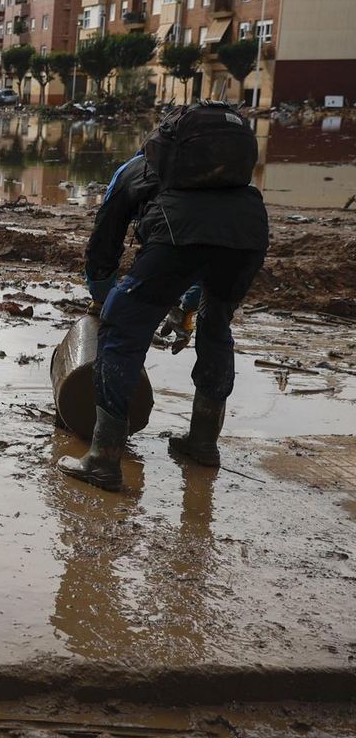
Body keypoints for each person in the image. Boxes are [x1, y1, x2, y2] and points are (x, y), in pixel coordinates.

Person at [59, 105, 268, 492]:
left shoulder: (133, 171)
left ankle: (103, 459)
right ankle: (203, 443)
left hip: (179, 233)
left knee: (123, 328)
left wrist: (105, 301)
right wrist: (187, 309)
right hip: (248, 234)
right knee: (216, 324)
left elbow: (103, 248)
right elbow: (207, 259)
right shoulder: (229, 178)